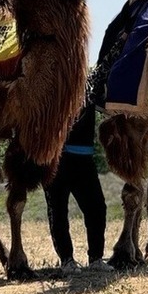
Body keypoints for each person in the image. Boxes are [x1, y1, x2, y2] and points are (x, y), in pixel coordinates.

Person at [43, 103, 114, 274]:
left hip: (85, 158)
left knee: (97, 208)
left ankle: (96, 259)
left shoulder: (90, 89)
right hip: (57, 159)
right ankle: (67, 260)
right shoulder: (55, 89)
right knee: (58, 211)